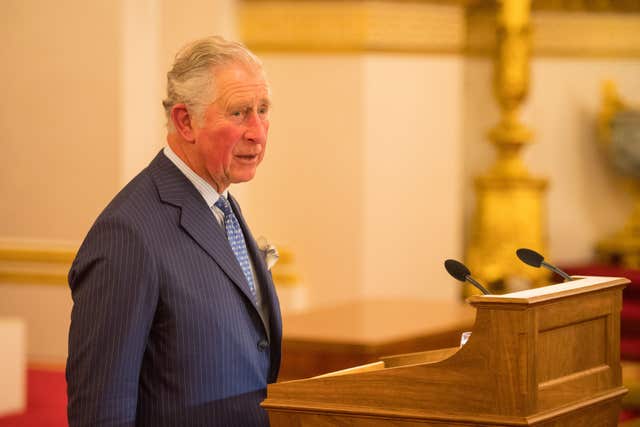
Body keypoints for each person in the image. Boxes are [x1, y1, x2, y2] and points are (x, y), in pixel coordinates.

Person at [66, 36, 282, 427]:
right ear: (186, 121)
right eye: (238, 113)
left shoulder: (223, 205)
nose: (258, 132)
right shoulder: (127, 234)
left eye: (263, 110)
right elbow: (102, 410)